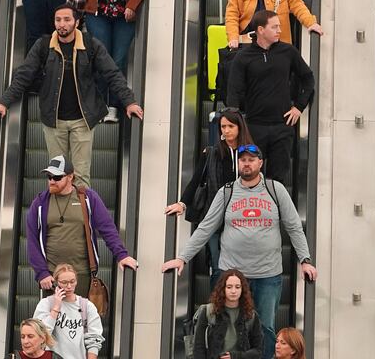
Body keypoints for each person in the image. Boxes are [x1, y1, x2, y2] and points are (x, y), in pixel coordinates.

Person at [161, 144, 317, 359]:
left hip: (267, 275)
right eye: (242, 159)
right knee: (227, 330)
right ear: (238, 164)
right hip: (233, 276)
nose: (246, 163)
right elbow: (206, 227)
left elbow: (294, 226)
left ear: (260, 163)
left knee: (265, 329)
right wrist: (182, 258)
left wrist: (305, 259)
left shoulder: (275, 189)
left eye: (251, 159)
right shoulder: (227, 192)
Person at [0, 4, 143, 187]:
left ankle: (81, 215)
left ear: (77, 22)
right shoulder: (43, 45)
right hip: (54, 121)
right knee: (57, 176)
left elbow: (113, 74)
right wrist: (3, 103)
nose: (62, 24)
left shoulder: (91, 45)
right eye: (58, 20)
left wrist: (129, 102)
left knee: (81, 177)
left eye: (67, 20)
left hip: (83, 121)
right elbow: (23, 75)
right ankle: (59, 215)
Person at [60, 0, 153, 122]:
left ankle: (113, 105)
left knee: (118, 60)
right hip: (97, 14)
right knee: (102, 58)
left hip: (123, 17)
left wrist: (132, 5)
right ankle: (100, 105)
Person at [164, 108, 254, 286]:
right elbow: (196, 180)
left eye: (230, 126)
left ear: (239, 128)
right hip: (214, 216)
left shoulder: (250, 155)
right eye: (222, 127)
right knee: (218, 264)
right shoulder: (212, 152)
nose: (226, 130)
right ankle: (218, 306)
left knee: (242, 268)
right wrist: (182, 203)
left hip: (243, 219)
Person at [26, 155, 137, 296]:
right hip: (53, 277)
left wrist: (122, 255)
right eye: (49, 177)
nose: (52, 181)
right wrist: (42, 272)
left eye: (57, 177)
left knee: (81, 316)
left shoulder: (87, 198)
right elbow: (32, 240)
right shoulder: (40, 202)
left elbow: (107, 228)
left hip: (81, 274)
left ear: (70, 177)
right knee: (53, 316)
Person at [226, 10, 315, 185]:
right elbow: (233, 92)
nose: (279, 30)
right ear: (260, 30)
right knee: (248, 177)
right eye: (274, 27)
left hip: (282, 126)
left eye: (279, 26)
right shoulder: (243, 57)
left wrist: (299, 107)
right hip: (253, 127)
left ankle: (274, 212)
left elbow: (308, 78)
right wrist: (235, 125)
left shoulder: (288, 52)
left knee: (278, 180)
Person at [33, 264, 104, 359]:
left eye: (72, 281)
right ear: (56, 283)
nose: (69, 286)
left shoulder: (87, 306)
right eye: (64, 282)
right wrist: (56, 308)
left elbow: (94, 338)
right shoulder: (46, 304)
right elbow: (39, 336)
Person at [193, 269, 263, 359]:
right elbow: (198, 347)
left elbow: (258, 350)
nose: (233, 291)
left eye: (237, 287)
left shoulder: (251, 315)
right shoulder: (207, 311)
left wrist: (236, 356)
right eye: (229, 287)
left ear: (243, 289)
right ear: (223, 289)